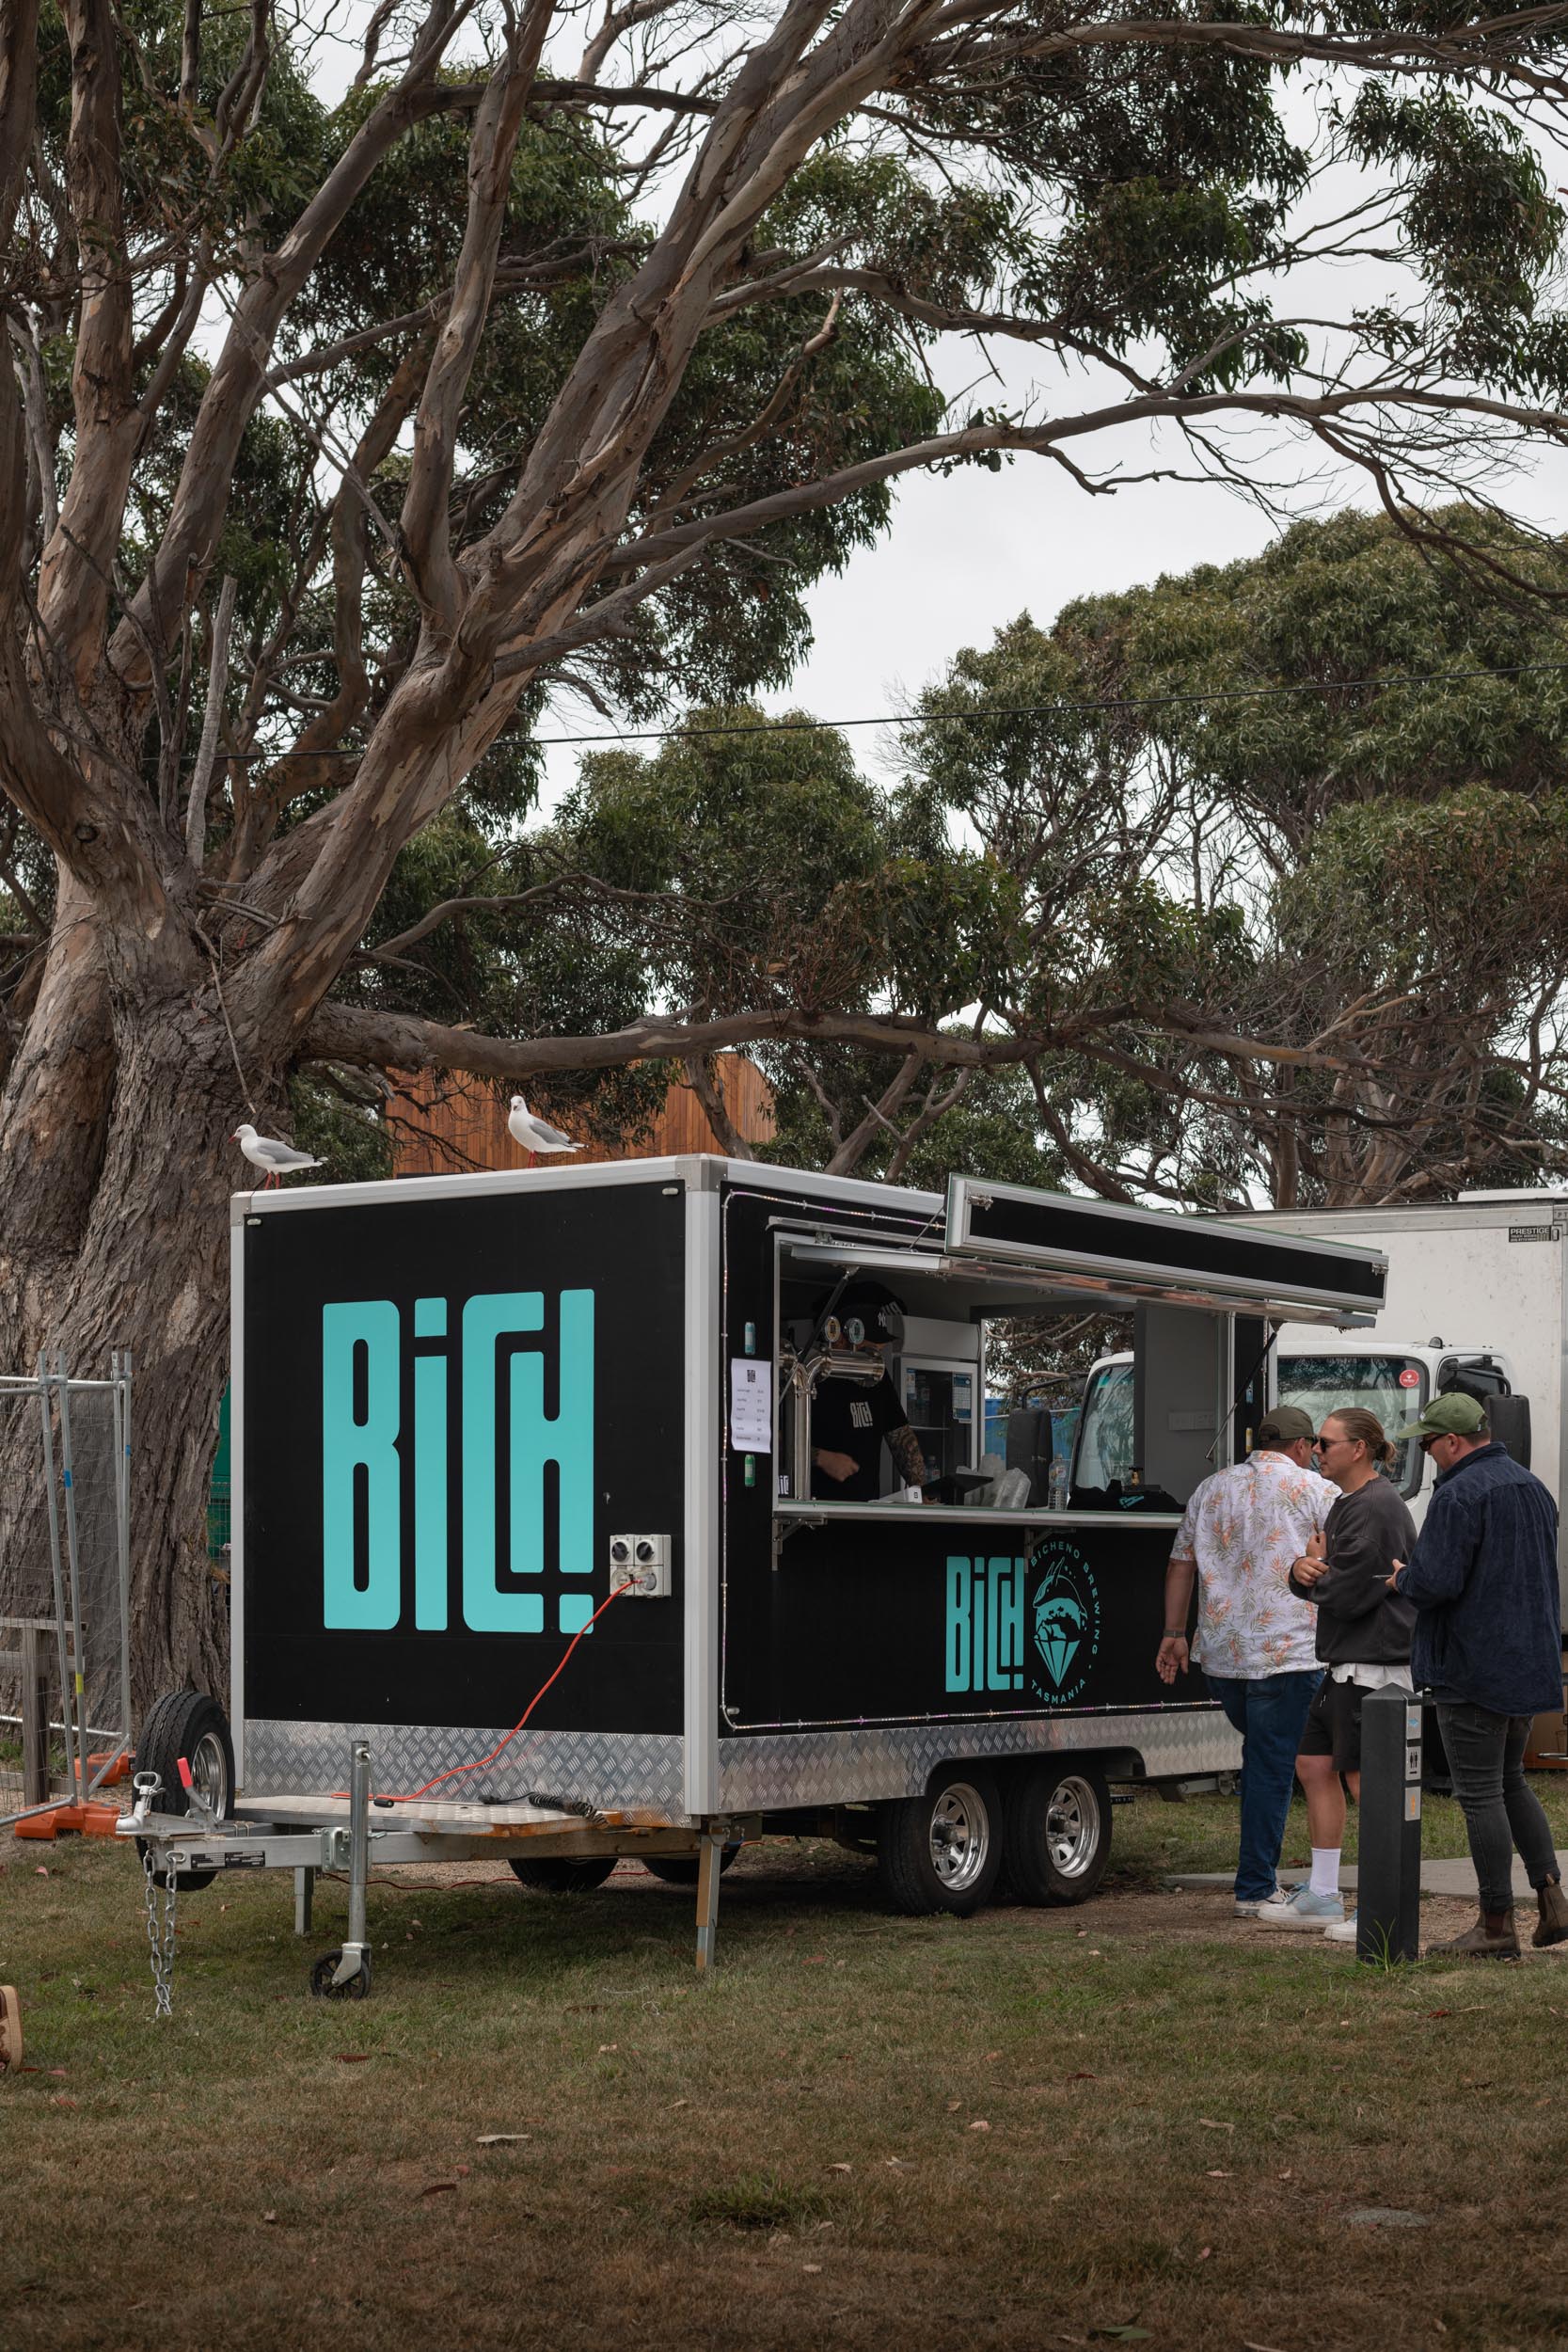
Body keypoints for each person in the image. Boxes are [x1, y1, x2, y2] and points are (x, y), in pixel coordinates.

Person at [1389, 1390, 1568, 1959]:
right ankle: (1552, 1897)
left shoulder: (1458, 1494)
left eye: (1432, 1445)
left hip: (1472, 1665)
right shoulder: (1534, 1487)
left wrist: (1401, 1578)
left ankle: (1495, 1925)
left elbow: (1434, 1584)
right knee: (1511, 1780)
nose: (1431, 1456)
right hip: (1527, 1662)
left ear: (1452, 1441)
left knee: (1480, 1793)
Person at [1158, 1406, 1337, 1919]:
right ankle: (1255, 1887)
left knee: (1262, 1757)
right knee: (1270, 1768)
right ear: (1302, 1447)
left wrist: (1173, 1633)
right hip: (1288, 1651)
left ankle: (1257, 1881)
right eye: (1314, 1449)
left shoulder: (1210, 1488)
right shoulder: (1315, 1490)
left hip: (1221, 1655)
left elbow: (1179, 1564)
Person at [1252, 1407, 1417, 1938]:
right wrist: (1302, 1567)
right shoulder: (1347, 1503)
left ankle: (1381, 1908)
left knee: (1369, 1783)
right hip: (1344, 1662)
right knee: (1313, 1765)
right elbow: (1327, 1573)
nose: (1316, 1450)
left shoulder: (1376, 1508)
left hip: (1375, 1666)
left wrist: (1306, 1578)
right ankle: (1323, 1894)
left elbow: (1350, 1591)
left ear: (1359, 1449)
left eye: (1325, 1442)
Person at [809, 1279, 928, 1502]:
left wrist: (919, 1489)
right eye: (868, 1350)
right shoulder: (810, 1375)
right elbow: (775, 1441)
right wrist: (821, 1458)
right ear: (841, 1339)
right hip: (815, 1512)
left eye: (879, 1352)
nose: (875, 1359)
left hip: (864, 1508)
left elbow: (901, 1438)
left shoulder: (875, 1376)